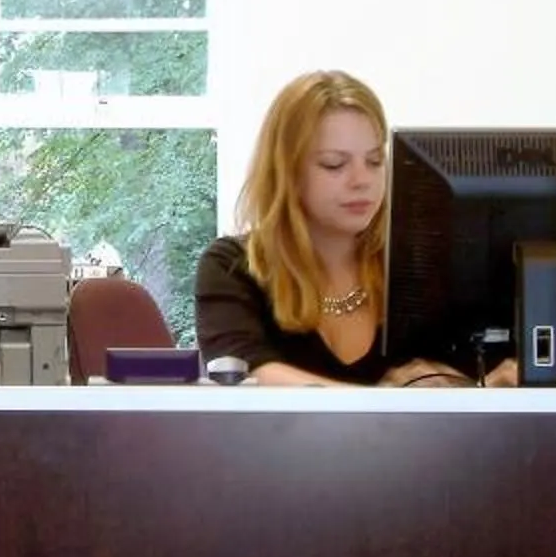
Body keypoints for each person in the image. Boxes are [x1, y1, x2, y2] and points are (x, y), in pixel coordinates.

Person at [195, 69, 494, 389]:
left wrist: (486, 381)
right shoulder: (232, 266)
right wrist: (391, 402)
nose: (362, 180)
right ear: (287, 173)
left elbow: (468, 381)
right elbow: (249, 376)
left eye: (375, 161)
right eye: (334, 164)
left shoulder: (421, 266)